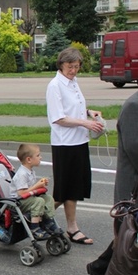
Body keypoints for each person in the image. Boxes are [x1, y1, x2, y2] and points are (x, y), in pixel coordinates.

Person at [46, 47, 105, 245]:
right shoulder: (55, 85)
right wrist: (86, 123)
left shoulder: (73, 82)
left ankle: (71, 227)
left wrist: (88, 112)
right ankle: (35, 218)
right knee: (64, 190)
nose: (74, 70)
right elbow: (59, 117)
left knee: (75, 187)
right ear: (61, 65)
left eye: (77, 66)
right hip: (65, 143)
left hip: (79, 140)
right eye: (70, 66)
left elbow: (72, 107)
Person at [87, 89, 138, 275]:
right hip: (133, 188)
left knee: (129, 235)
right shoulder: (134, 107)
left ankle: (99, 268)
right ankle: (101, 270)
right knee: (129, 233)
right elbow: (136, 151)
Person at [9, 143, 59, 240]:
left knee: (48, 198)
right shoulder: (22, 174)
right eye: (38, 155)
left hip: (27, 198)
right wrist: (37, 185)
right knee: (39, 201)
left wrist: (40, 185)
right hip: (17, 202)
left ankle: (49, 221)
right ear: (29, 159)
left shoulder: (30, 171)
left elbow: (30, 189)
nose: (41, 157)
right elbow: (21, 193)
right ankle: (35, 228)